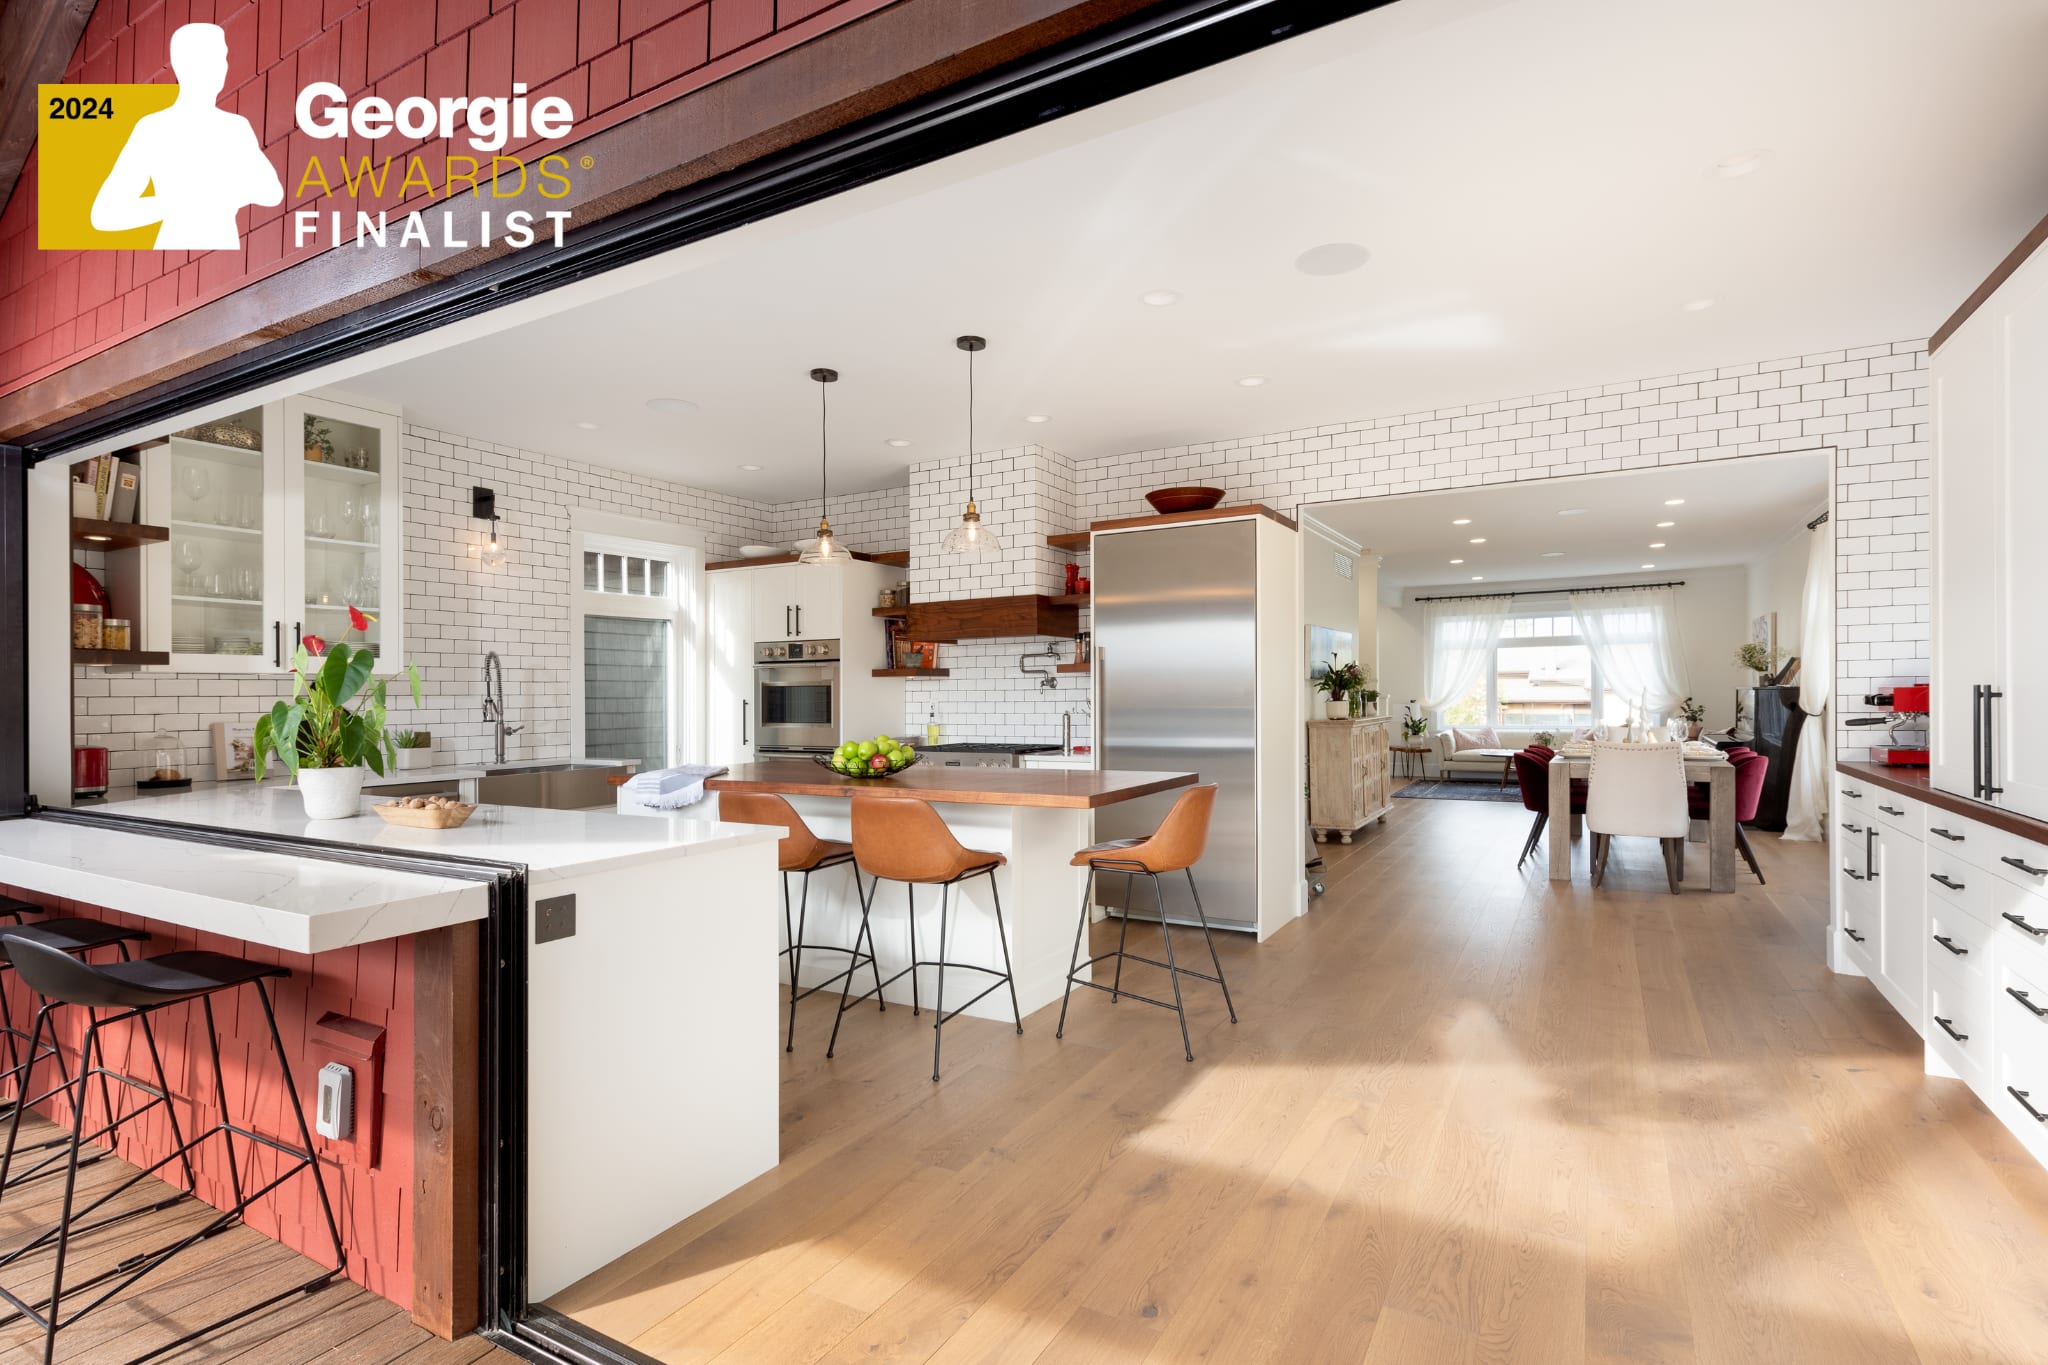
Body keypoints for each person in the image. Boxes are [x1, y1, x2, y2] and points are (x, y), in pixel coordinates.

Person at [90, 23, 283, 250]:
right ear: (185, 66)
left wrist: (225, 192)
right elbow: (105, 212)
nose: (220, 67)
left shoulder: (235, 127)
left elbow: (272, 192)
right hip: (176, 246)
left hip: (225, 247)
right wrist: (182, 200)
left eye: (222, 58)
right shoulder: (154, 129)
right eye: (209, 59)